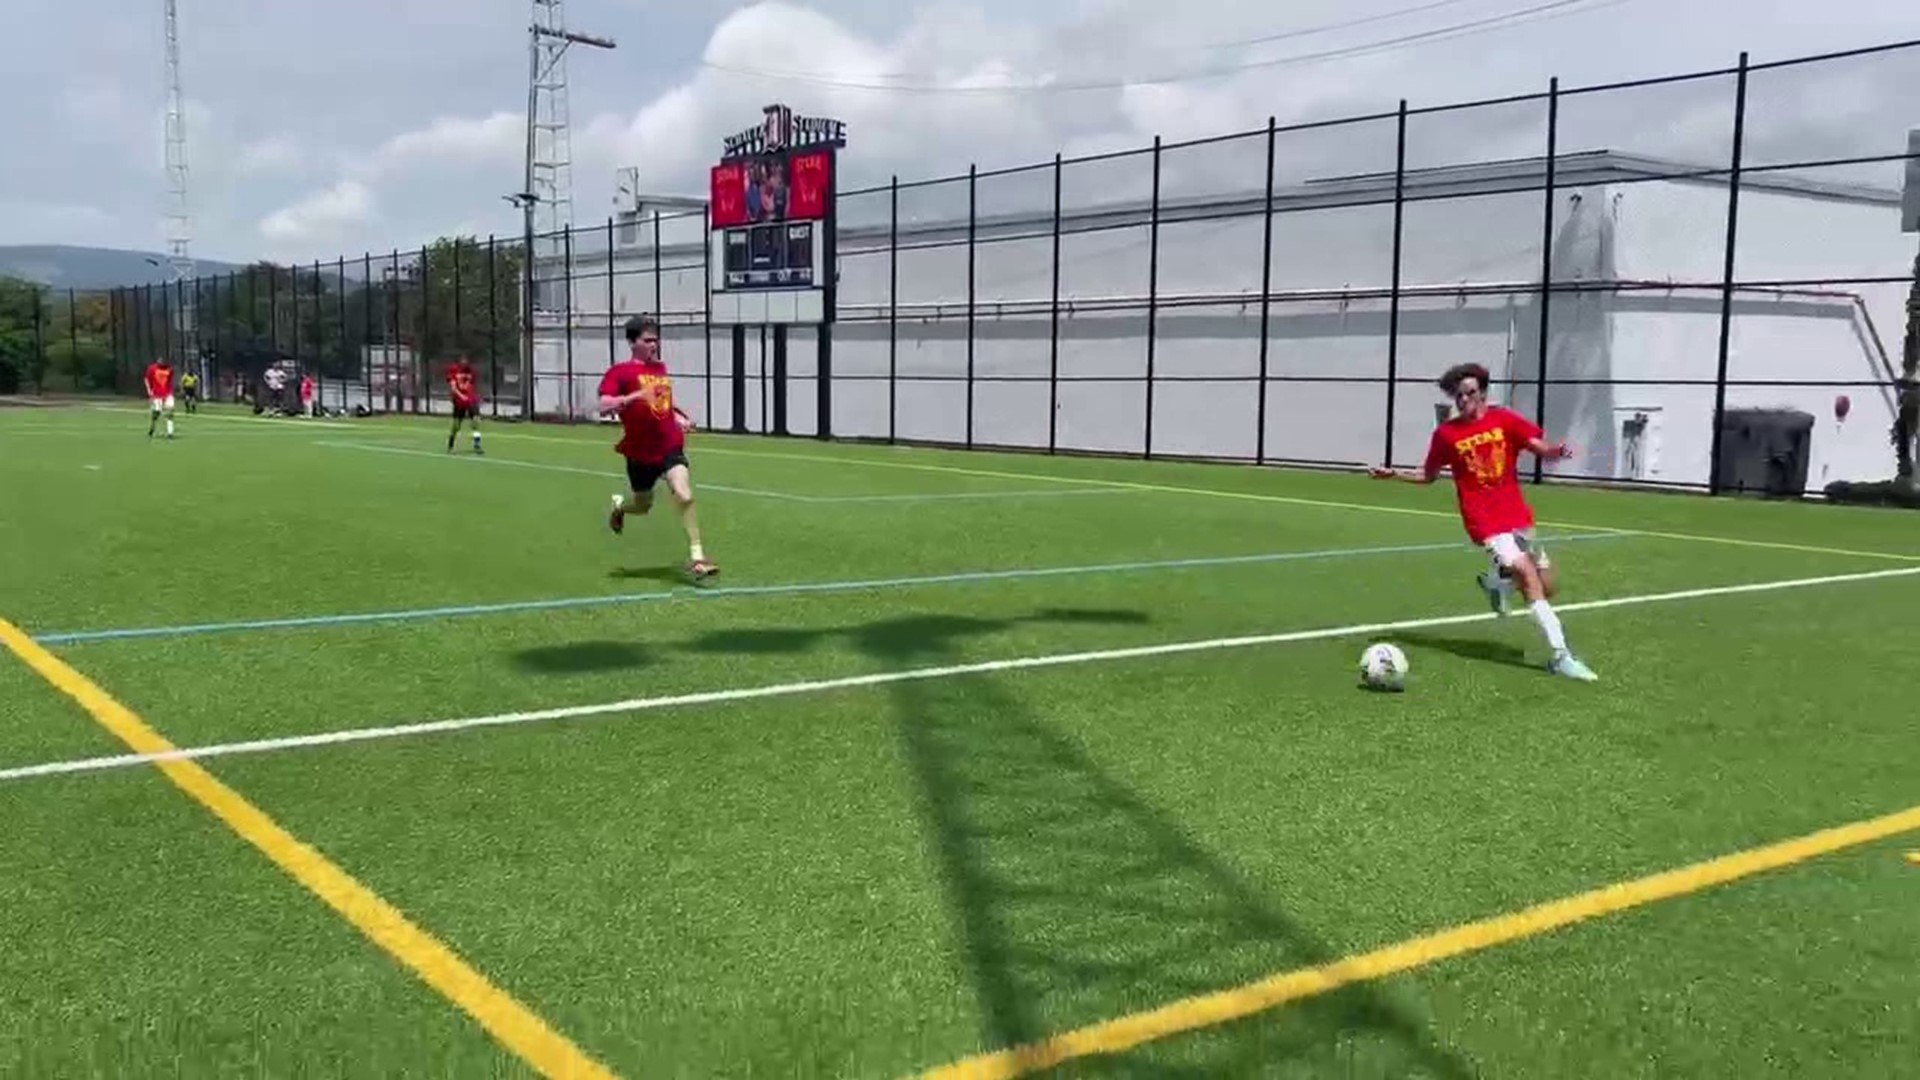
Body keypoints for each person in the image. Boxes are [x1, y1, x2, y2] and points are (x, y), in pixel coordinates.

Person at [1370, 362, 1597, 682]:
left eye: (1470, 394)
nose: (1464, 401)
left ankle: (1496, 582)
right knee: (1528, 575)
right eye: (1459, 396)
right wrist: (1395, 474)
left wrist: (1556, 451)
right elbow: (1429, 475)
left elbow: (1538, 447)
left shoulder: (1504, 419)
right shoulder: (1447, 434)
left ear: (1483, 393)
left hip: (1516, 515)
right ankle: (1561, 656)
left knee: (1548, 586)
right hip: (1484, 521)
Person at [598, 315, 716, 579]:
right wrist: (634, 397)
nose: (654, 344)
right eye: (647, 340)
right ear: (632, 342)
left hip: (669, 445)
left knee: (684, 495)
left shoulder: (660, 369)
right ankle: (619, 508)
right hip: (639, 451)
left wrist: (679, 418)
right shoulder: (619, 372)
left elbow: (662, 405)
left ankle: (697, 557)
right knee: (642, 505)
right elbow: (604, 405)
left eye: (655, 339)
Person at [445, 354, 483, 454]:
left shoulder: (471, 371)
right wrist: (461, 396)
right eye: (463, 360)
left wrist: (476, 397)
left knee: (476, 421)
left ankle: (477, 444)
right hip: (459, 401)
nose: (465, 362)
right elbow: (453, 387)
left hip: (470, 401)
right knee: (456, 426)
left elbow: (472, 385)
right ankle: (451, 444)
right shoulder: (454, 370)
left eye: (466, 361)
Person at [144, 357, 177, 439]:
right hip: (156, 395)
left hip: (168, 394)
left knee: (170, 411)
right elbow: (146, 379)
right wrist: (149, 390)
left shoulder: (170, 369)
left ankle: (170, 432)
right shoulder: (152, 369)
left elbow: (170, 381)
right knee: (157, 412)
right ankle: (153, 426)